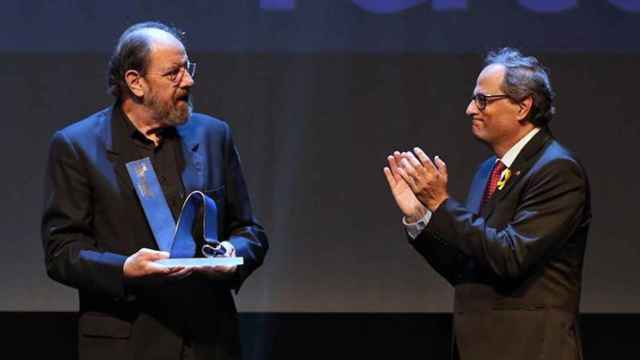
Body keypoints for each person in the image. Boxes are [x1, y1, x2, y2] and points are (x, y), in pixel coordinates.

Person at [41, 21, 268, 360]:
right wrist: (124, 269)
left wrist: (230, 256)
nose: (188, 81)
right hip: (128, 343)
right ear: (136, 82)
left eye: (187, 68)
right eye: (173, 73)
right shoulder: (77, 146)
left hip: (210, 342)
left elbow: (249, 231)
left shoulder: (213, 135)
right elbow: (62, 251)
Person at [384, 48, 590, 360]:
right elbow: (468, 266)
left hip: (530, 349)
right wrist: (420, 216)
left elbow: (510, 256)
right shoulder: (488, 171)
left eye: (483, 100)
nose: (470, 109)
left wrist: (441, 203)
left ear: (522, 107)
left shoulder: (557, 170)